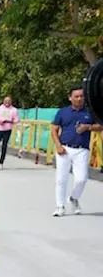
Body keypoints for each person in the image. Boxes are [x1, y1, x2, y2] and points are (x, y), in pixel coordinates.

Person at [50, 85, 100, 216]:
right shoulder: (63, 112)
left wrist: (87, 127)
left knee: (82, 178)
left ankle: (73, 198)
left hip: (81, 150)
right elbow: (54, 130)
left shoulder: (90, 112)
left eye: (82, 96)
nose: (79, 99)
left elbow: (100, 126)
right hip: (64, 148)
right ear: (70, 98)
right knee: (61, 179)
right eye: (76, 96)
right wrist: (58, 145)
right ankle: (60, 206)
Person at [0, 96, 19, 169]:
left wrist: (10, 121)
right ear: (3, 101)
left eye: (9, 101)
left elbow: (16, 119)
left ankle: (1, 162)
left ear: (11, 102)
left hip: (7, 129)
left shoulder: (14, 110)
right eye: (6, 101)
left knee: (4, 146)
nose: (7, 102)